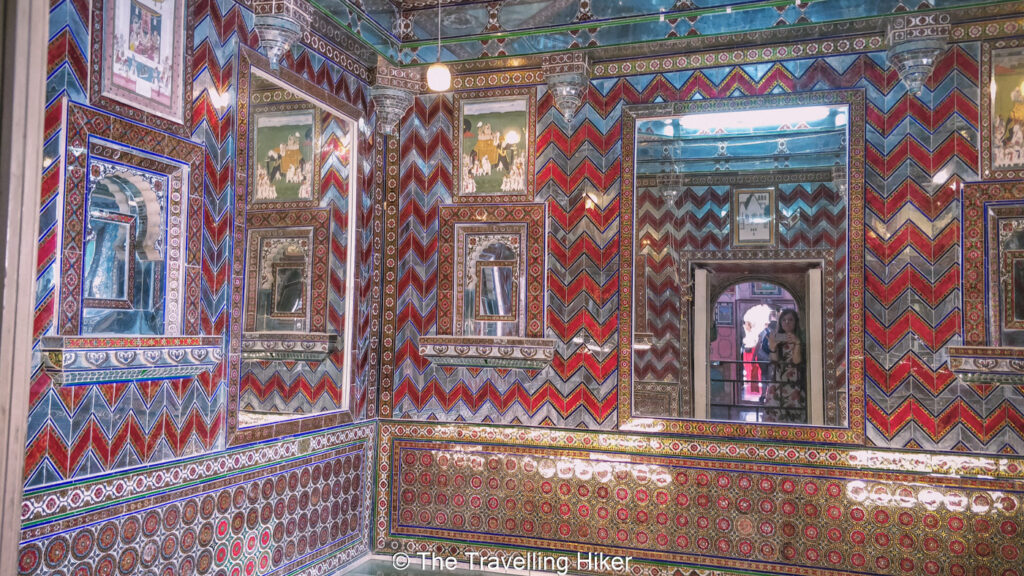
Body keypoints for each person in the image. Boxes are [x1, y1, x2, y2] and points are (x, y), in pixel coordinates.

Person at [760, 308, 806, 423]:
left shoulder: (801, 338)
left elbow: (796, 361)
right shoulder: (777, 337)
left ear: (795, 322)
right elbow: (774, 360)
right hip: (777, 381)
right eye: (784, 320)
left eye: (790, 320)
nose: (787, 322)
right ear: (780, 322)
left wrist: (797, 343)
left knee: (794, 417)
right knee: (775, 416)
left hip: (794, 382)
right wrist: (773, 347)